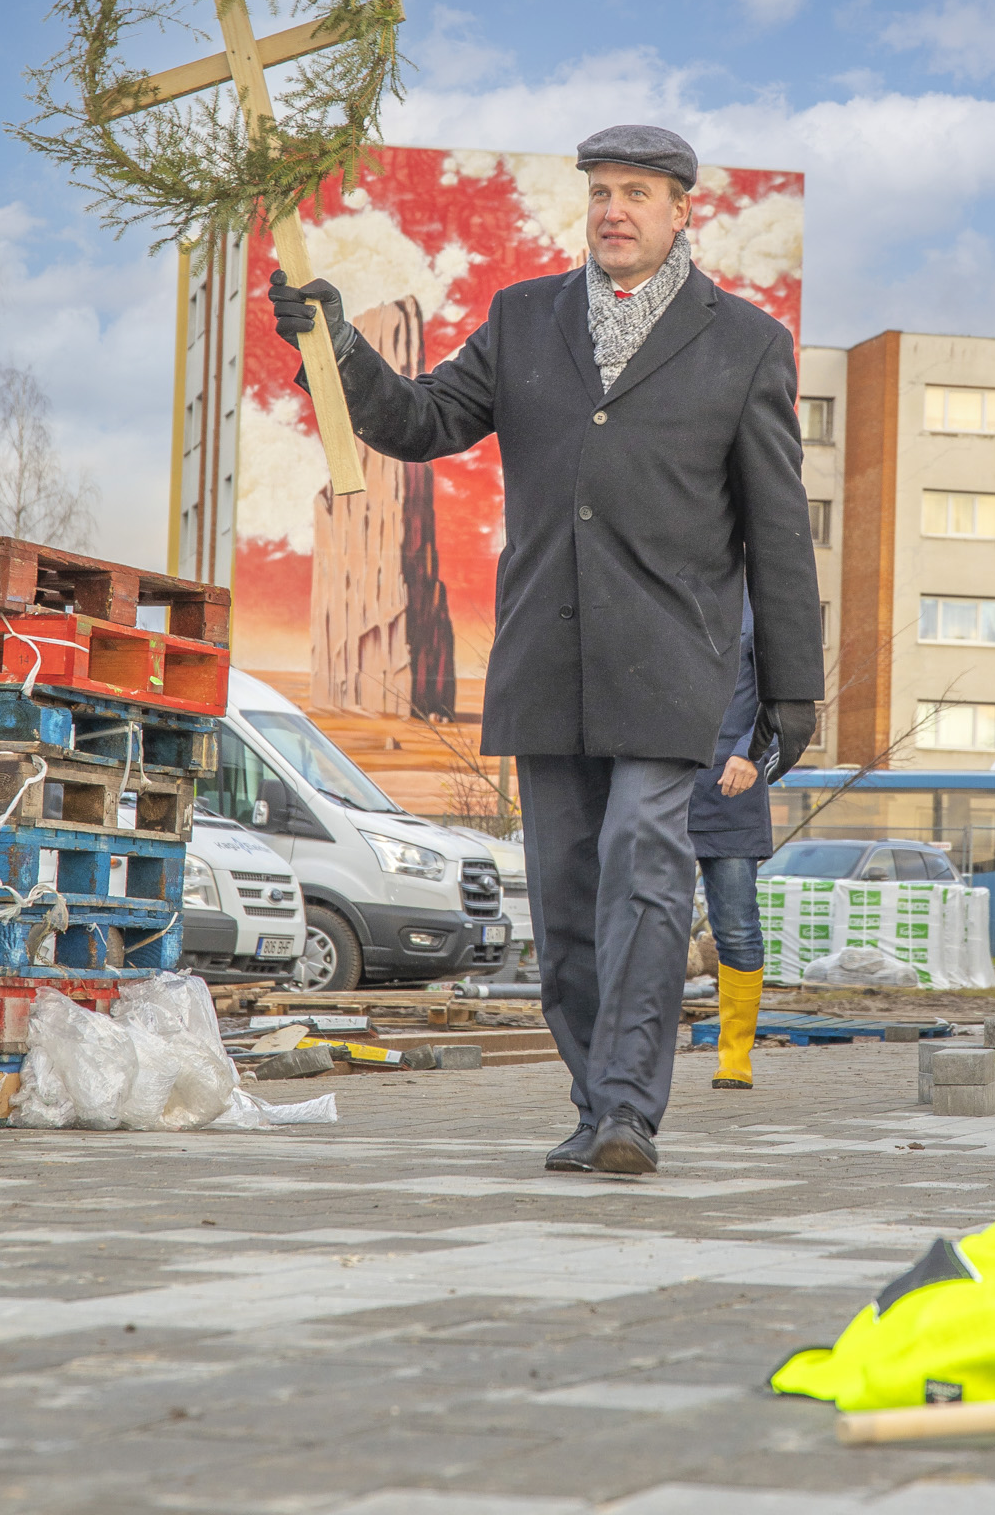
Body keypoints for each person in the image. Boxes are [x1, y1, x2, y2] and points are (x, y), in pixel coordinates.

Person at [268, 124, 823, 1178]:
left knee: (642, 870)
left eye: (636, 193)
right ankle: (590, 1103)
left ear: (680, 211)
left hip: (669, 663)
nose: (613, 209)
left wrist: (789, 695)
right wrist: (333, 352)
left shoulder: (743, 343)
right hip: (545, 659)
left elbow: (777, 530)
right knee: (564, 899)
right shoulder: (525, 318)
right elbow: (424, 420)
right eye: (600, 191)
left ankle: (627, 1111)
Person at [688, 595, 778, 1089]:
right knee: (650, 925)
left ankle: (735, 1055)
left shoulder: (755, 603)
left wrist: (752, 754)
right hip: (666, 784)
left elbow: (781, 696)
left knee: (737, 928)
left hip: (733, 788)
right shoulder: (665, 589)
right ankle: (641, 1054)